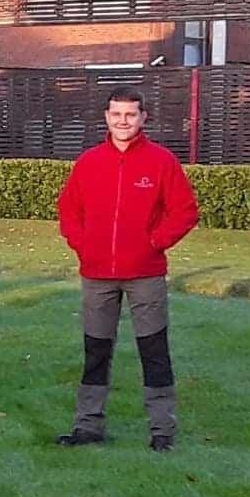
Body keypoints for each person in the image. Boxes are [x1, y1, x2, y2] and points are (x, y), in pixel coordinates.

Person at [54, 84, 199, 452]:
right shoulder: (89, 162)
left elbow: (184, 212)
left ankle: (162, 430)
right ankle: (88, 426)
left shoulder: (161, 162)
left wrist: (154, 243)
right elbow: (69, 211)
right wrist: (83, 246)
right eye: (117, 114)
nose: (123, 121)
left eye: (130, 115)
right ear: (106, 117)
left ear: (142, 117)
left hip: (145, 273)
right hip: (97, 273)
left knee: (153, 350)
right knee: (96, 351)